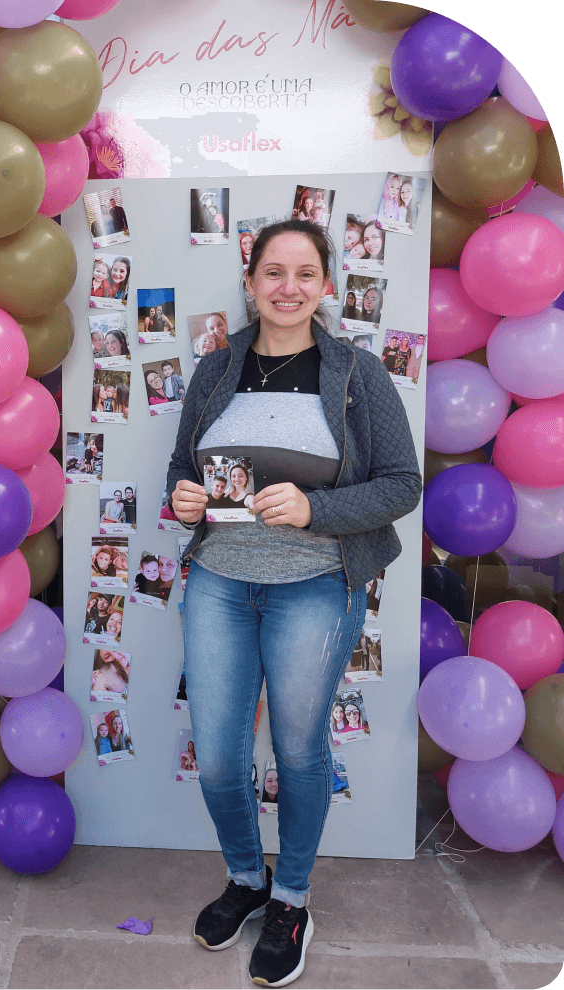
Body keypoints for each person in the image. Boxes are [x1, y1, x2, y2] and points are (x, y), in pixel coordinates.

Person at [165, 218, 421, 986]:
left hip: (315, 586)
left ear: (327, 285)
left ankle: (291, 899)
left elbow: (402, 484)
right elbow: (182, 469)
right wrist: (182, 498)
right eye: (273, 272)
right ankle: (247, 878)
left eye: (305, 273)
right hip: (219, 583)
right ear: (250, 284)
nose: (288, 287)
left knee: (299, 750)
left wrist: (317, 508)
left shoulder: (357, 374)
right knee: (218, 757)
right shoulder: (216, 369)